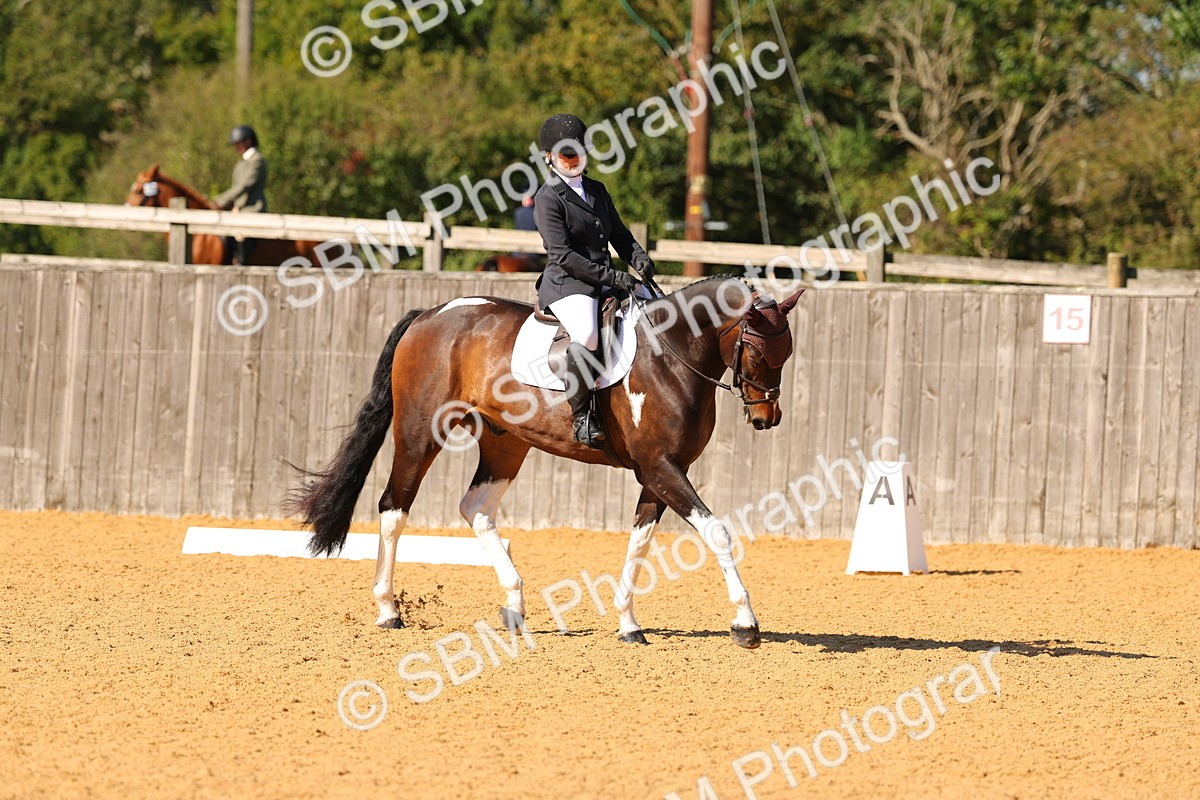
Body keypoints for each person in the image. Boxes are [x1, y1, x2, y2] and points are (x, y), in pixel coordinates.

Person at [533, 113, 656, 449]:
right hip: (568, 283)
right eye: (567, 155)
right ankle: (583, 415)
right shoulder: (548, 198)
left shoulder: (597, 190)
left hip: (605, 279)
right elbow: (565, 257)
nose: (574, 161)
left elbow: (618, 232)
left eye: (579, 153)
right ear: (550, 157)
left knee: (656, 309)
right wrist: (614, 276)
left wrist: (638, 258)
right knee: (587, 333)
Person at [214, 125, 267, 265]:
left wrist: (221, 200)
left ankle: (242, 265)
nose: (236, 147)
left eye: (238, 143)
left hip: (252, 209)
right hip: (238, 209)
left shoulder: (257, 161)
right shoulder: (241, 163)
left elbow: (244, 186)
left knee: (240, 233)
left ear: (248, 141)